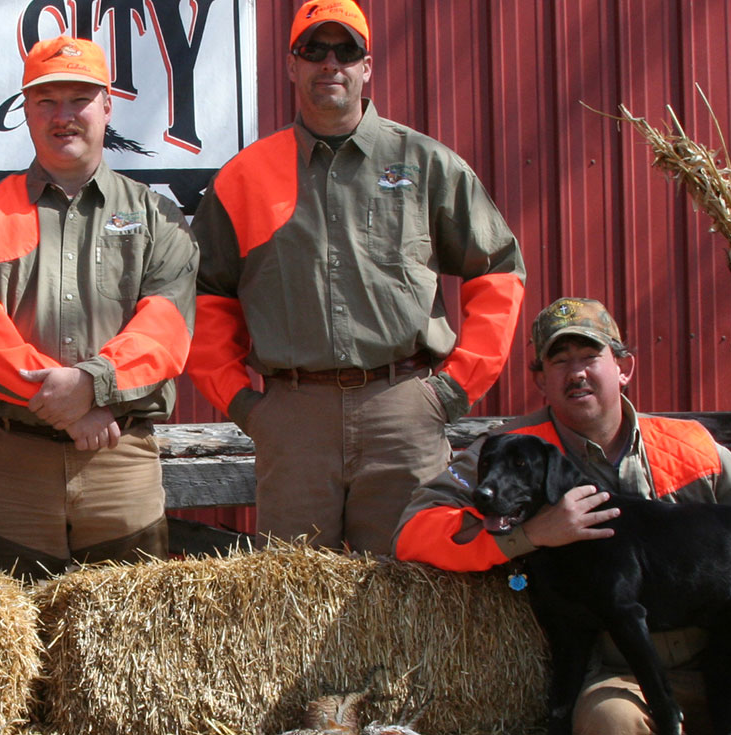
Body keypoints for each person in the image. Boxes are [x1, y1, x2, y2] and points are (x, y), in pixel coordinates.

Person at [394, 297, 731, 735]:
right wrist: (529, 535)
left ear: (623, 367)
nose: (577, 373)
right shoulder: (503, 453)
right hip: (619, 672)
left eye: (591, 356)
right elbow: (414, 534)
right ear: (541, 380)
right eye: (559, 361)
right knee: (613, 725)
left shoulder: (689, 446)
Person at [186, 0, 526, 554]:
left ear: (367, 66)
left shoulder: (425, 164)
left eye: (346, 51)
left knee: (413, 591)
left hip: (404, 411)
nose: (330, 64)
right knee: (294, 602)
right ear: (292, 65)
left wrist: (456, 388)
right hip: (293, 419)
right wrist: (244, 405)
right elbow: (204, 297)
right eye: (313, 50)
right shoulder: (244, 177)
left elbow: (498, 270)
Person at [0, 35, 198, 579]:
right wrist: (72, 405)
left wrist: (92, 385)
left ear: (108, 105)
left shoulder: (157, 214)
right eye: (46, 101)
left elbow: (166, 326)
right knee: (14, 653)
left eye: (79, 99)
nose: (63, 116)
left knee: (128, 652)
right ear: (25, 110)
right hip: (14, 470)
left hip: (120, 458)